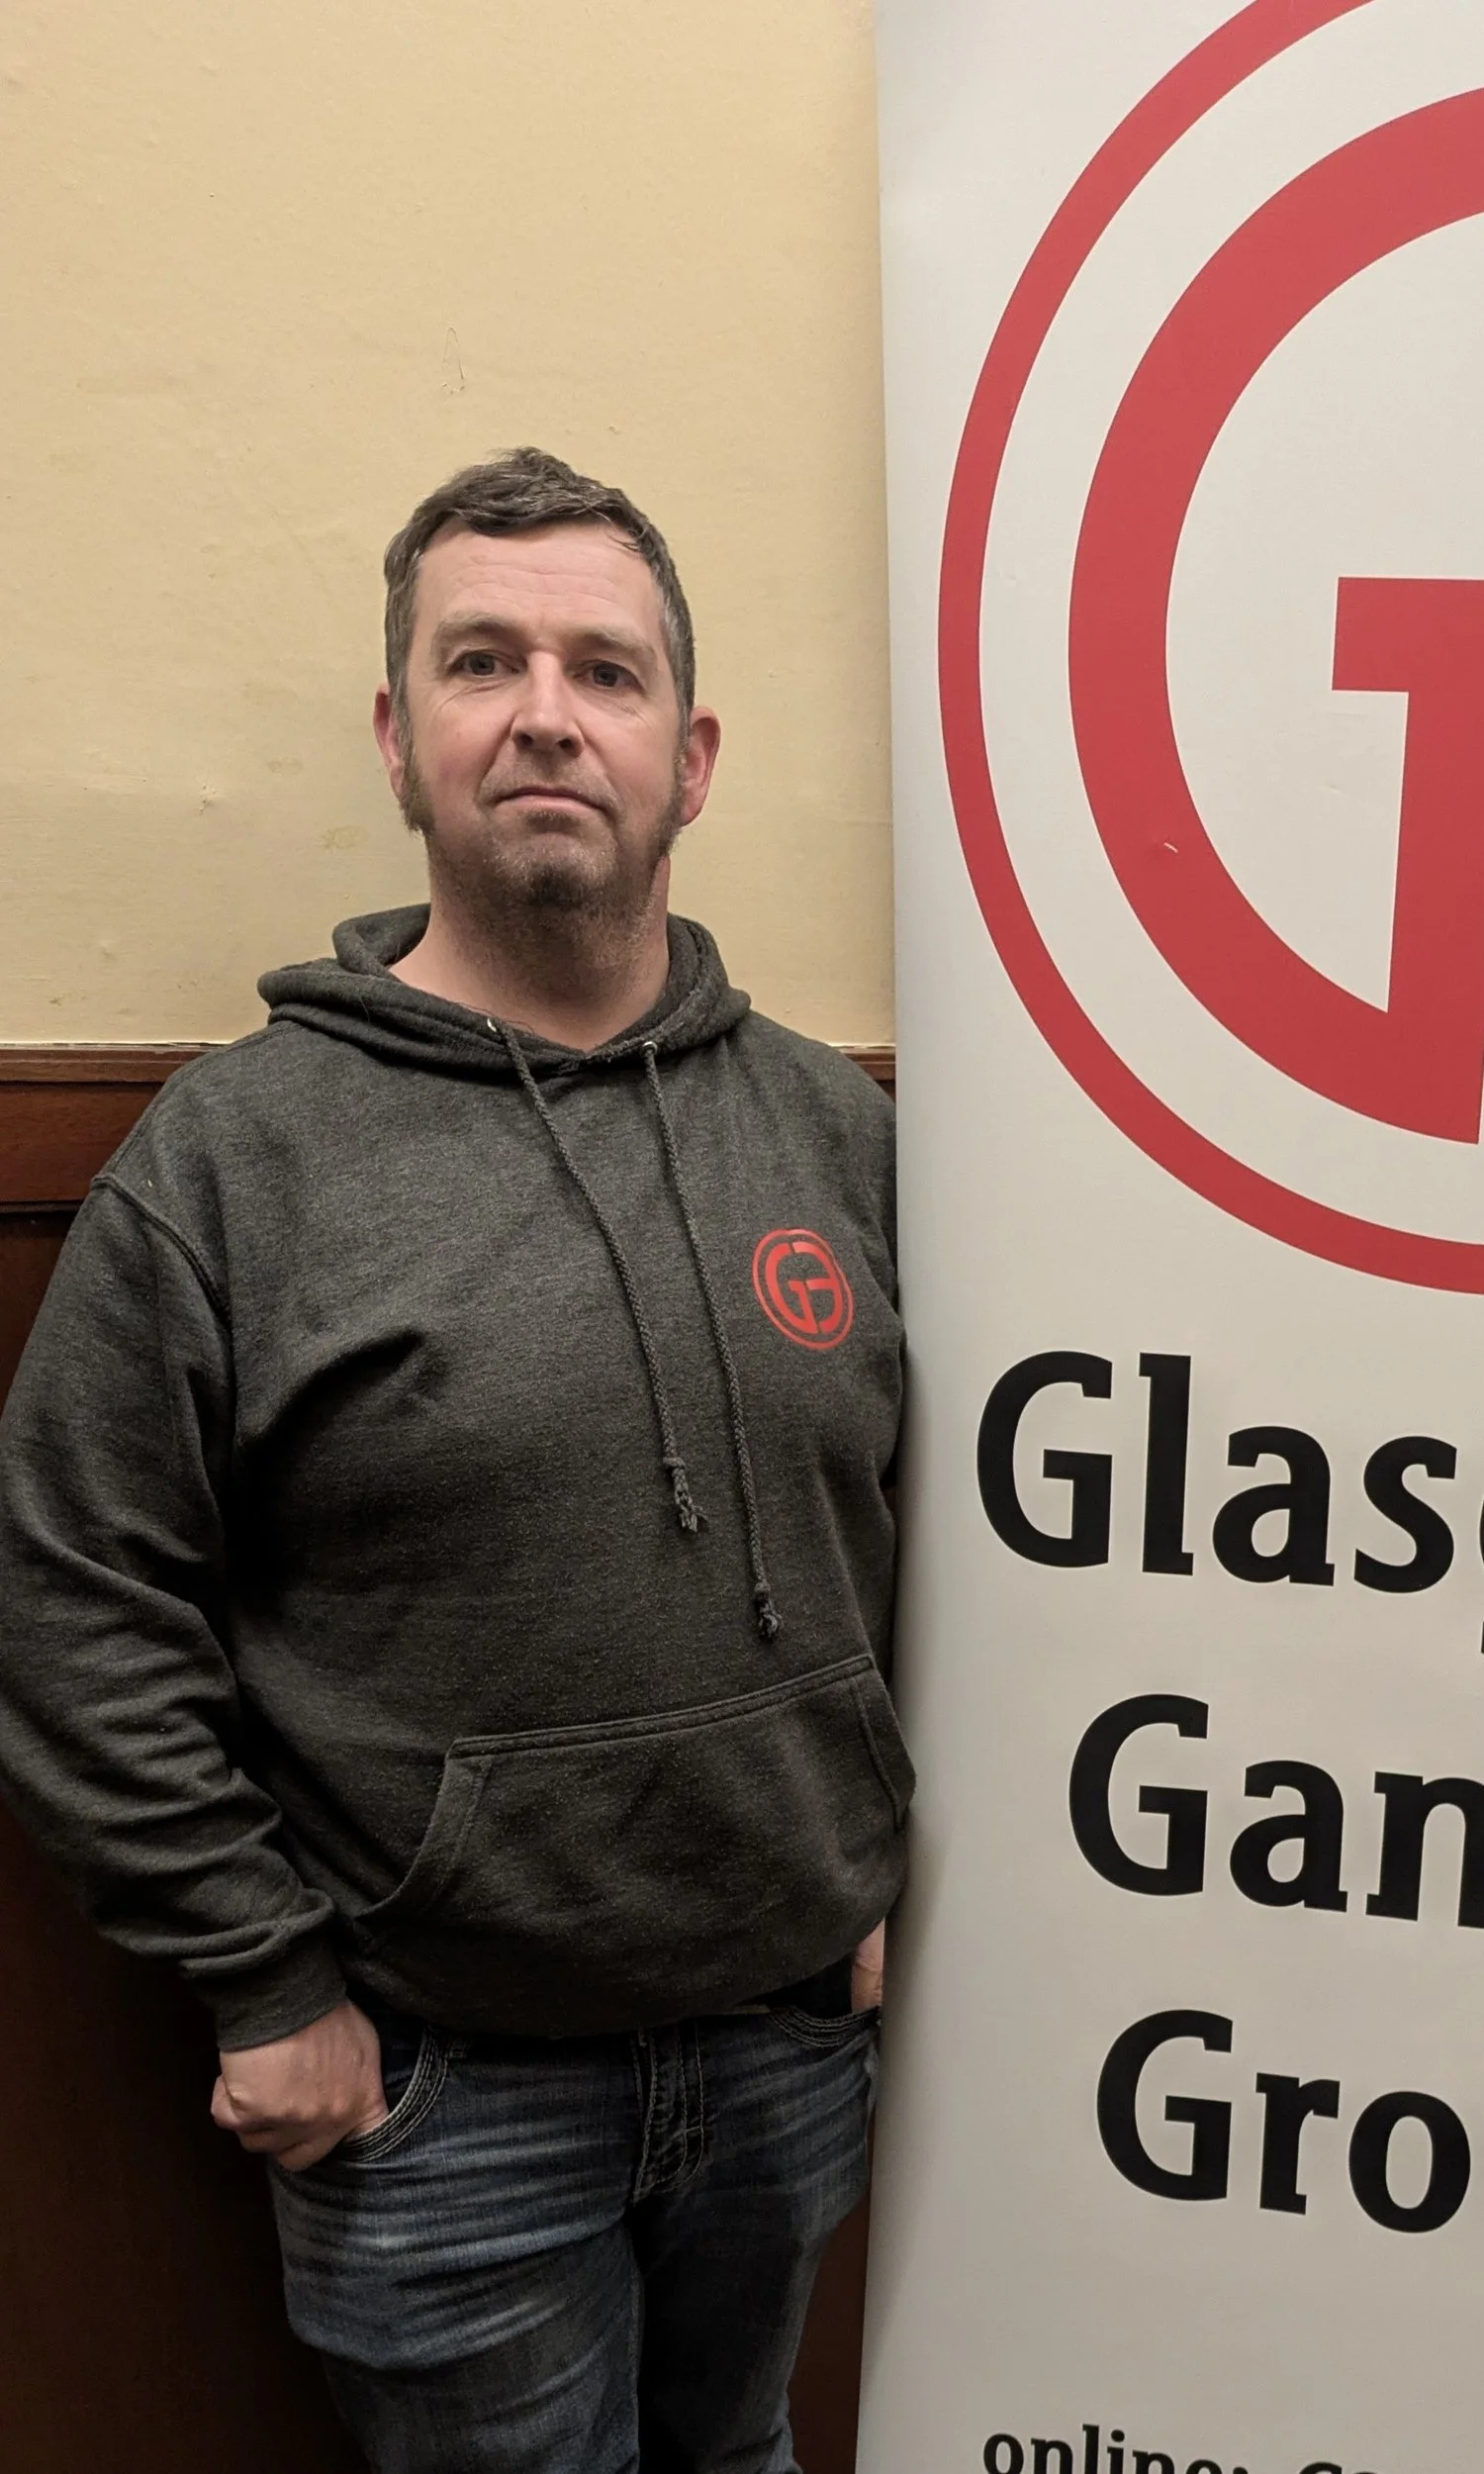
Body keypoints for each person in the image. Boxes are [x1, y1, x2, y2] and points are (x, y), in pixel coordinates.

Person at [0, 448, 906, 2473]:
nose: (546, 711)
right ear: (404, 742)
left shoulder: (831, 1134)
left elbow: (955, 1540)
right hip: (432, 2085)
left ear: (691, 751)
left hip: (786, 2046)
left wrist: (887, 1858)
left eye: (604, 666)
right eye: (482, 660)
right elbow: (70, 1600)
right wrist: (258, 1973)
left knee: (743, 2453)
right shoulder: (238, 1159)